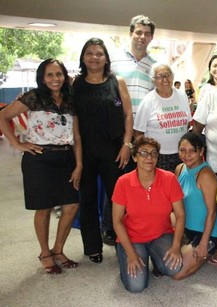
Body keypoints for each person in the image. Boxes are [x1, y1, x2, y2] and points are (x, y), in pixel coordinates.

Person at [0, 59, 81, 274]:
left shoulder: (70, 100)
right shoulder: (33, 97)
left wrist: (79, 164)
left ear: (65, 76)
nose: (55, 79)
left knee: (72, 205)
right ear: (42, 78)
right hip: (39, 160)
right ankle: (45, 253)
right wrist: (17, 143)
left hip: (66, 158)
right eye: (50, 75)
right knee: (43, 208)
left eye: (59, 74)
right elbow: (3, 116)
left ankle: (58, 249)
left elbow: (77, 136)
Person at [74, 37, 133, 263]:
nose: (94, 57)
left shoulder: (117, 82)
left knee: (120, 200)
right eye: (89, 53)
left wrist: (127, 144)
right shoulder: (76, 85)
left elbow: (128, 114)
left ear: (106, 58)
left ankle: (125, 244)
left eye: (99, 53)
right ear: (83, 57)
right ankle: (92, 247)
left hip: (115, 150)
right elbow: (75, 123)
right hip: (86, 151)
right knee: (87, 200)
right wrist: (78, 160)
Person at [112, 136, 189, 293]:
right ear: (134, 157)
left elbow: (180, 215)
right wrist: (132, 254)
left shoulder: (169, 179)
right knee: (136, 286)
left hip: (161, 235)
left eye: (154, 153)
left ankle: (153, 257)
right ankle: (126, 255)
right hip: (132, 237)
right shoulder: (123, 182)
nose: (150, 157)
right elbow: (117, 220)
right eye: (144, 153)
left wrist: (175, 246)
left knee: (175, 268)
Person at [175, 132, 217, 269]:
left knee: (178, 272)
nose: (186, 155)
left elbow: (212, 212)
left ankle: (216, 245)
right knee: (168, 263)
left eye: (192, 151)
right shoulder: (179, 169)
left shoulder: (206, 175)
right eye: (182, 150)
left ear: (201, 151)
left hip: (207, 231)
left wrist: (204, 242)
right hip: (186, 227)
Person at [134, 64, 191, 172]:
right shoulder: (148, 101)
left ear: (173, 77)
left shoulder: (182, 96)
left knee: (179, 187)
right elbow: (138, 132)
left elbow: (187, 123)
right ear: (153, 80)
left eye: (167, 75)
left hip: (182, 154)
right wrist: (147, 154)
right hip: (158, 156)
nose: (165, 79)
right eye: (160, 76)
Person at [110, 15, 156, 117]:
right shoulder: (113, 58)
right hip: (117, 122)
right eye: (138, 32)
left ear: (151, 38)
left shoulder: (155, 66)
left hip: (143, 125)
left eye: (147, 34)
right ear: (131, 34)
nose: (142, 37)